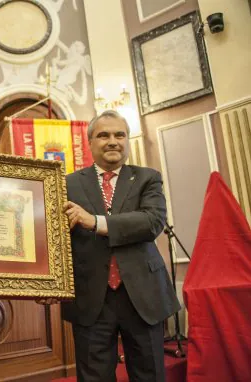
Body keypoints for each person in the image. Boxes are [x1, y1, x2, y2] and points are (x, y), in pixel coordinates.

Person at [41, 110, 180, 381]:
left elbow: (152, 222)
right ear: (90, 142)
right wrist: (48, 281)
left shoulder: (147, 178)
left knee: (149, 374)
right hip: (90, 297)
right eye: (103, 135)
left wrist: (94, 221)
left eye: (120, 134)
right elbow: (53, 236)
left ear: (127, 141)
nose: (113, 141)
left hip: (143, 296)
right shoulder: (65, 183)